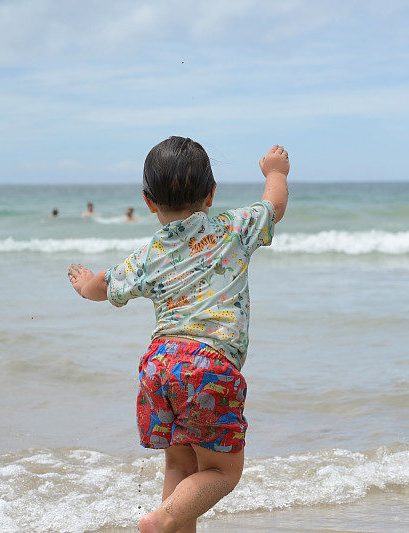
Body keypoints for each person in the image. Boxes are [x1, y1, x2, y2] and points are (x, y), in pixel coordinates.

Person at [67, 138, 290, 533]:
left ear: (149, 202)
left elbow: (105, 286)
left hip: (159, 365)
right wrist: (275, 172)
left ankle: (168, 523)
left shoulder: (149, 255)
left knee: (179, 465)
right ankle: (162, 519)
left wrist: (85, 284)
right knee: (223, 472)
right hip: (207, 366)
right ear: (211, 193)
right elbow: (274, 206)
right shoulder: (233, 230)